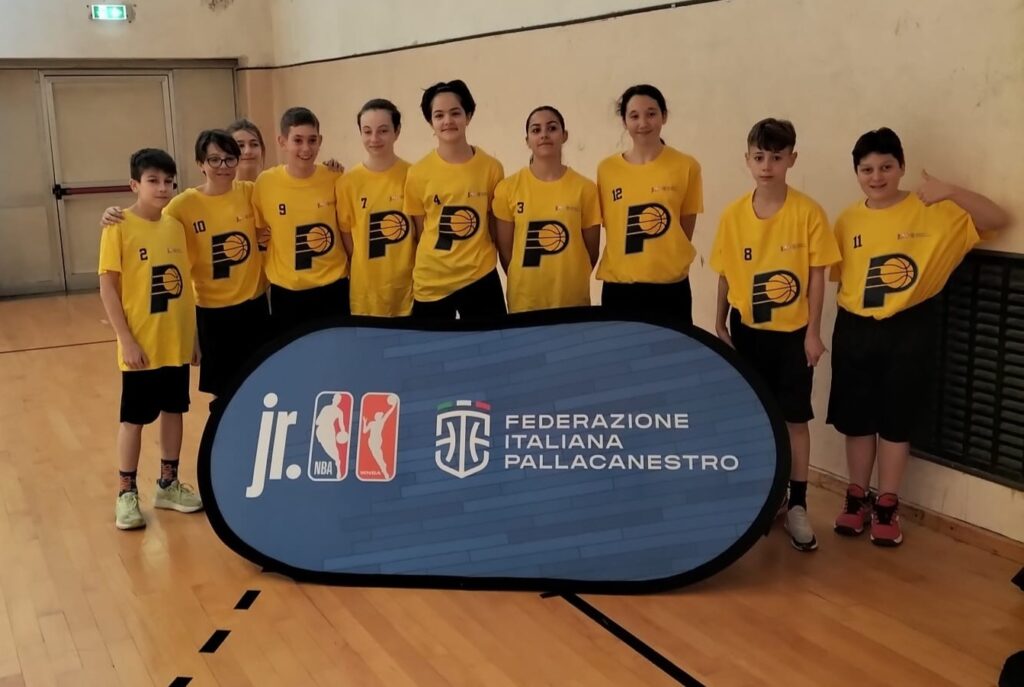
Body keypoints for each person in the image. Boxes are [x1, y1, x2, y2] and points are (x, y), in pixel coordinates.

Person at [828, 127, 1010, 546]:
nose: (877, 177)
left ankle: (887, 506)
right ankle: (856, 499)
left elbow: (998, 220)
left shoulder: (935, 210)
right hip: (855, 327)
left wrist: (951, 191)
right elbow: (838, 277)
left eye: (886, 167)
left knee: (897, 420)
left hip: (910, 327)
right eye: (867, 169)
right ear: (857, 173)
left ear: (902, 167)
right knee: (857, 421)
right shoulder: (847, 219)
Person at [712, 118, 841, 552]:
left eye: (776, 157)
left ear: (792, 159)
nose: (767, 165)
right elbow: (724, 272)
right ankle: (765, 497)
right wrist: (719, 323)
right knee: (754, 418)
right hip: (747, 333)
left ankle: (798, 504)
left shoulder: (808, 213)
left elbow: (817, 276)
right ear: (747, 160)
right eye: (759, 157)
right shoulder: (733, 215)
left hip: (791, 337)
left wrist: (813, 333)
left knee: (794, 420)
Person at [103, 130, 269, 399]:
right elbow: (147, 219)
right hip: (212, 312)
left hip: (254, 307)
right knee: (223, 392)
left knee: (262, 384)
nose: (223, 166)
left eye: (230, 159)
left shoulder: (251, 193)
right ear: (200, 164)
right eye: (214, 160)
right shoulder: (181, 206)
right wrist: (113, 214)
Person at [97, 148, 203, 530]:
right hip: (140, 347)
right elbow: (108, 287)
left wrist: (192, 336)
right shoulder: (118, 225)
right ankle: (126, 493)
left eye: (168, 181)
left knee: (174, 411)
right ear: (134, 184)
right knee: (134, 420)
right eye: (153, 181)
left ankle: (168, 485)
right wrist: (126, 340)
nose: (162, 188)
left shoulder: (175, 226)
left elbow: (185, 284)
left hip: (175, 342)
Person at [596, 84, 703, 325]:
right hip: (620, 288)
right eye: (634, 116)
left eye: (651, 113)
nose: (643, 123)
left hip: (670, 289)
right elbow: (610, 227)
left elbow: (684, 230)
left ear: (664, 116)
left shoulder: (686, 166)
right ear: (624, 121)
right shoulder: (607, 170)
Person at [404, 80, 506, 320]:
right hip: (432, 282)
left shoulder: (491, 168)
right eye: (439, 115)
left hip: (480, 275)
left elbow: (493, 225)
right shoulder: (417, 173)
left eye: (455, 113)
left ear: (468, 116)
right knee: (432, 345)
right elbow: (421, 230)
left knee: (494, 341)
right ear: (431, 122)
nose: (447, 121)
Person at [493, 106, 600, 313]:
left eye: (552, 128)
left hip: (572, 298)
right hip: (525, 300)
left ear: (564, 135)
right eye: (536, 130)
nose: (544, 135)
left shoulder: (585, 188)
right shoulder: (507, 189)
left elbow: (591, 251)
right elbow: (506, 253)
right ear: (527, 140)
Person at [252, 107, 350, 334]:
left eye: (312, 140)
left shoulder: (334, 177)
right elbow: (258, 231)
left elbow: (346, 228)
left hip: (333, 289)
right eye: (297, 140)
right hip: (288, 293)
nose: (306, 148)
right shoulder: (265, 183)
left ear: (320, 141)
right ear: (282, 142)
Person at [336, 99, 415, 317]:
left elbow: (420, 233)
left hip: (408, 291)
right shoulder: (347, 183)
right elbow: (347, 238)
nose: (374, 139)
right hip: (365, 294)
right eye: (367, 131)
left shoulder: (413, 176)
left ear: (397, 131)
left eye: (383, 131)